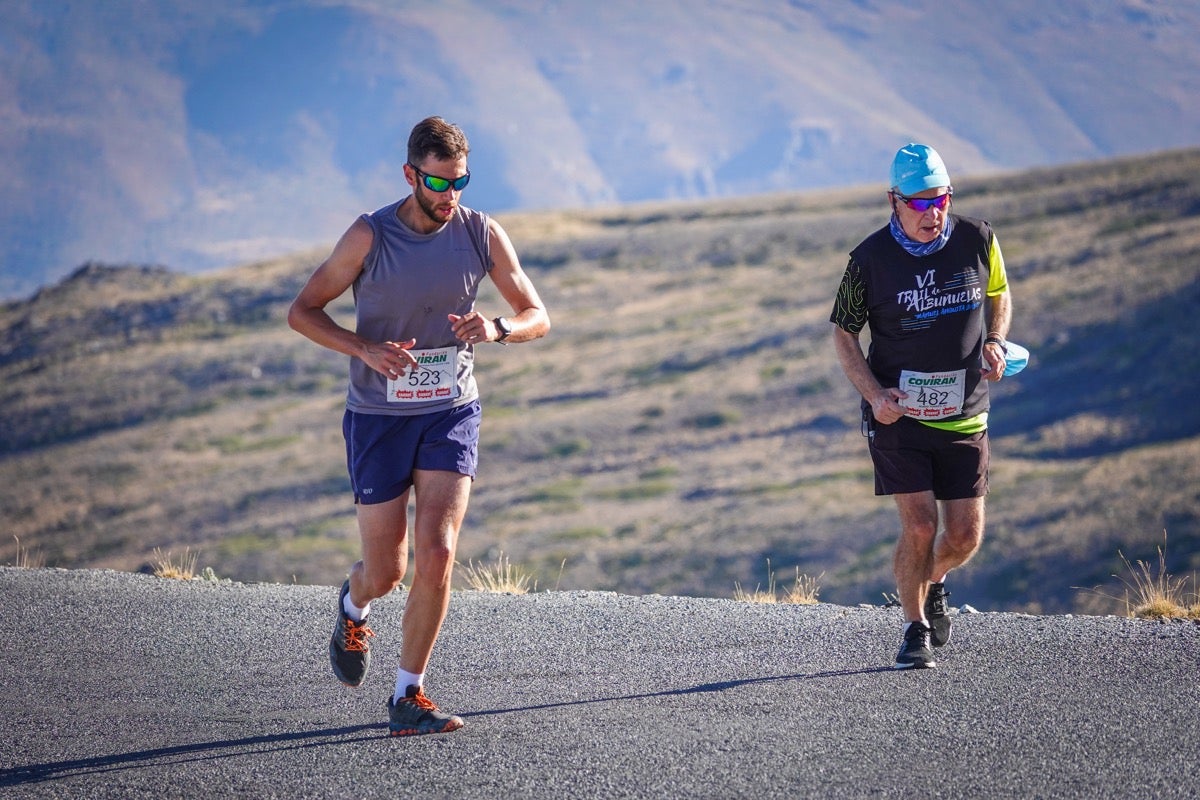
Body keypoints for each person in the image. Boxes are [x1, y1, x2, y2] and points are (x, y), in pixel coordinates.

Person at [288, 116, 550, 733]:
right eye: (436, 182)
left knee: (438, 552)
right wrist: (363, 350)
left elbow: (537, 313)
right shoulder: (368, 236)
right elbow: (302, 311)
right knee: (389, 570)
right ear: (411, 175)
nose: (449, 195)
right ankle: (353, 607)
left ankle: (409, 695)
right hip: (378, 417)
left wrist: (498, 329)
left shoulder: (482, 234)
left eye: (459, 182)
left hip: (450, 410)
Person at [830, 143, 1012, 670]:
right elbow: (844, 333)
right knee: (919, 527)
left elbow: (999, 293)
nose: (933, 213)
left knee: (963, 537)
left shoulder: (978, 240)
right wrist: (875, 396)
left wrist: (996, 341)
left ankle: (932, 583)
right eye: (919, 202)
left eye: (941, 200)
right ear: (894, 201)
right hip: (898, 416)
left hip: (964, 413)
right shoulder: (868, 261)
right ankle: (915, 628)